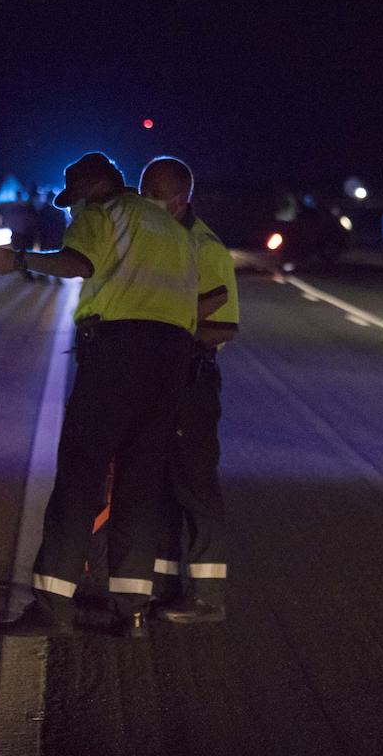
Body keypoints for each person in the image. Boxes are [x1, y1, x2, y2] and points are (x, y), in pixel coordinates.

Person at [0, 152, 197, 637]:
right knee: (140, 483)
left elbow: (80, 264)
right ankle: (132, 609)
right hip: (173, 359)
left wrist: (21, 260)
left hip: (117, 355)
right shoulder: (173, 230)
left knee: (81, 476)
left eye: (74, 201)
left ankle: (53, 607)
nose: (71, 212)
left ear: (93, 187)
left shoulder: (103, 212)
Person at [137, 156, 238, 623]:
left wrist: (167, 327)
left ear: (182, 201)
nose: (148, 203)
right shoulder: (150, 241)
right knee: (159, 486)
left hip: (190, 381)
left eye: (156, 194)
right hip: (154, 377)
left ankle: (206, 596)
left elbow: (223, 327)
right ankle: (166, 586)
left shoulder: (206, 247)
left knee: (194, 485)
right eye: (144, 192)